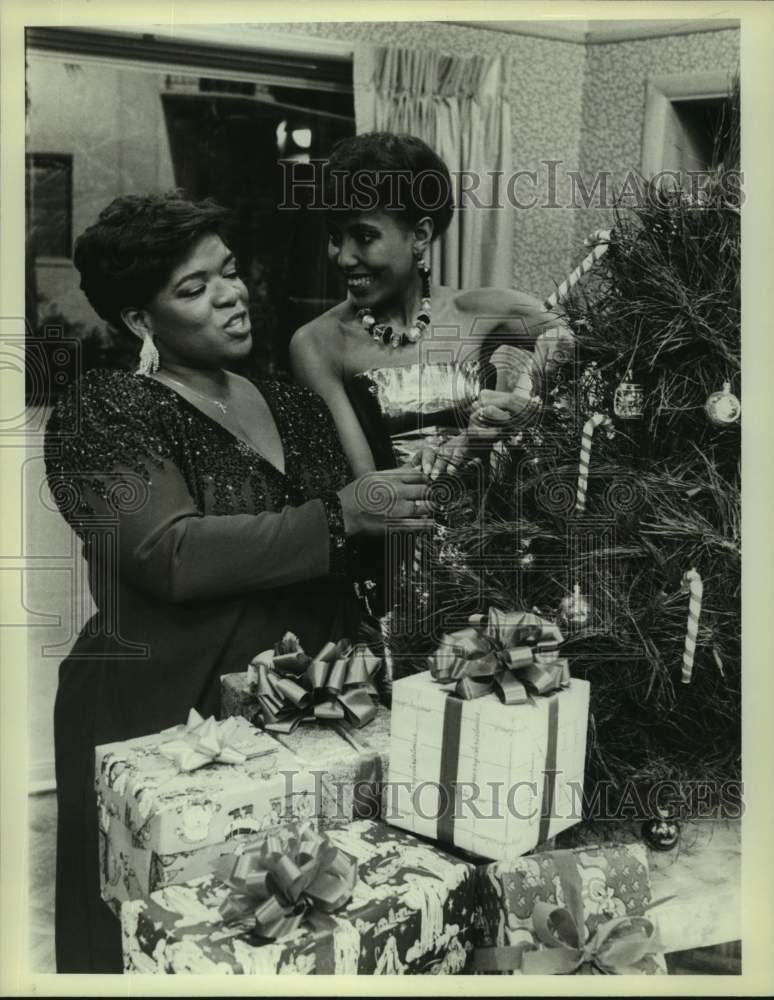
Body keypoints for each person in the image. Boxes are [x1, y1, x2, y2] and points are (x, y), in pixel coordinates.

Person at [44, 191, 431, 973]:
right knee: (175, 942)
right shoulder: (103, 412)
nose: (230, 296)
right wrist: (341, 515)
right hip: (161, 719)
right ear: (138, 323)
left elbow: (352, 552)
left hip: (308, 719)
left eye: (228, 273)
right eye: (194, 289)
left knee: (306, 936)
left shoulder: (293, 404)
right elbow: (170, 555)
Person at [289, 132, 574, 481]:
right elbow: (366, 490)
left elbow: (588, 342)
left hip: (491, 530)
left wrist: (531, 389)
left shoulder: (482, 311)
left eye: (364, 237)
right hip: (392, 531)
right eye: (335, 237)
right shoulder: (317, 344)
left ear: (420, 236)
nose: (344, 257)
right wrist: (468, 444)